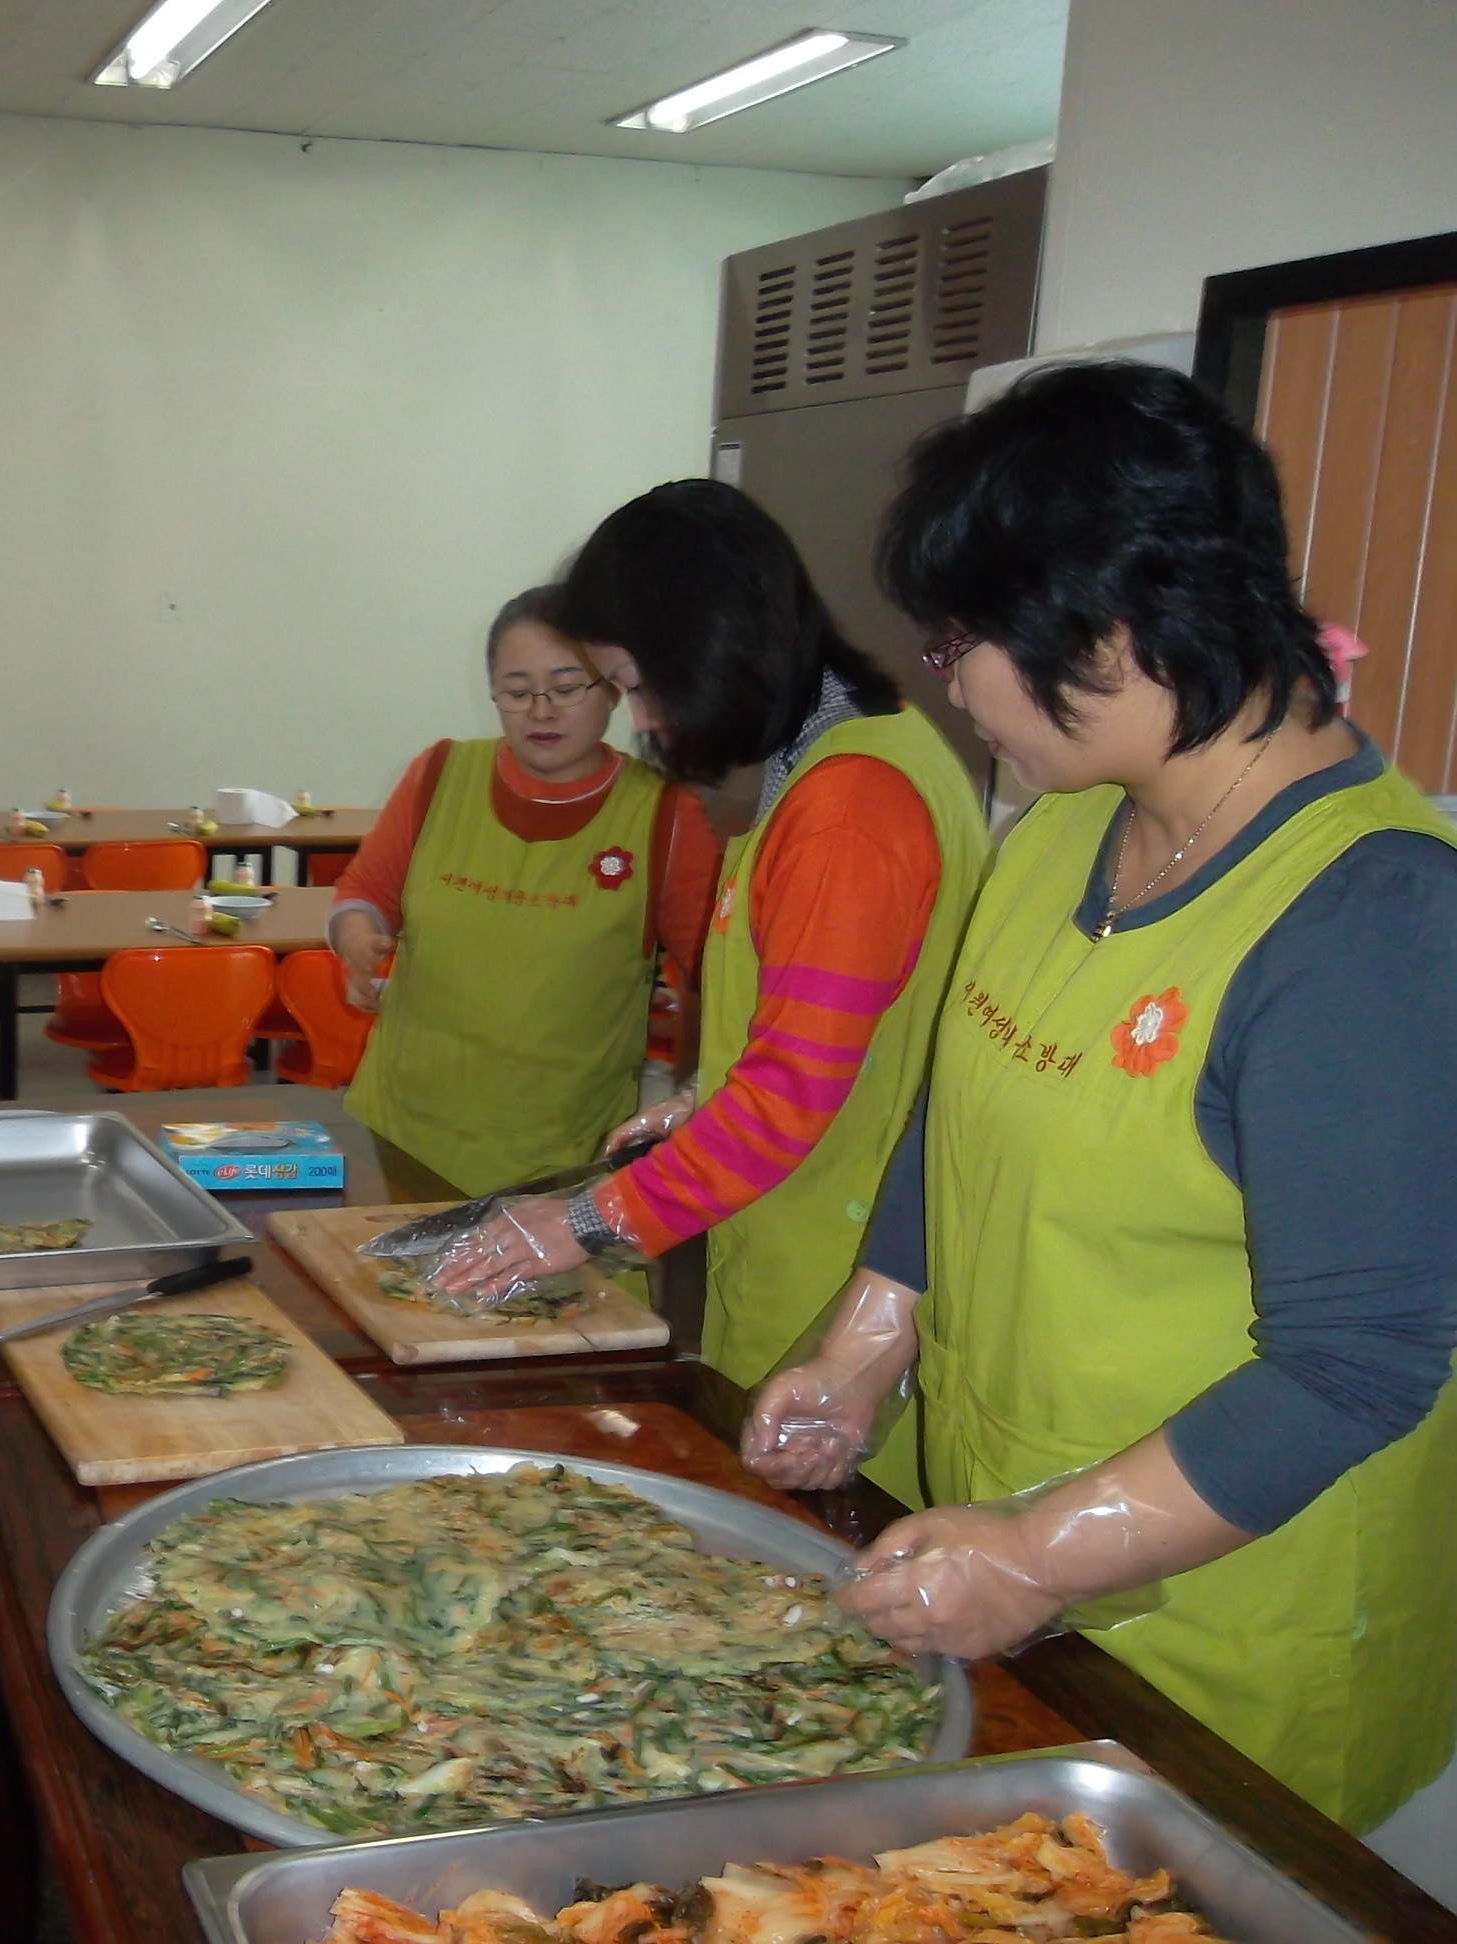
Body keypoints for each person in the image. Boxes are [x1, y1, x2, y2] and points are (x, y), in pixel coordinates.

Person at [745, 360, 1457, 1835]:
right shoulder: (1058, 834)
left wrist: (1041, 1554)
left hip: (1224, 1638)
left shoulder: (1373, 922)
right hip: (997, 1557)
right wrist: (865, 1348)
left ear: (1108, 633)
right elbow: (961, 1116)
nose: (950, 686)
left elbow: (1356, 1367)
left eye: (961, 645)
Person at [431, 484, 987, 1503]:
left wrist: (585, 1222)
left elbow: (790, 1097)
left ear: (711, 647)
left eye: (638, 686)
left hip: (834, 1277)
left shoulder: (849, 808)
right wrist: (704, 1093)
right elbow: (832, 1025)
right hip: (795, 1238)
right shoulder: (842, 758)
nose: (645, 721)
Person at [334, 584, 718, 1196]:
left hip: (559, 1164)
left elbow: (714, 973)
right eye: (517, 692)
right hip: (400, 1130)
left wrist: (695, 1089)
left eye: (566, 689)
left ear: (613, 688)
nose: (541, 711)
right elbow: (364, 892)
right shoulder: (440, 774)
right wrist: (358, 938)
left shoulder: (664, 815)